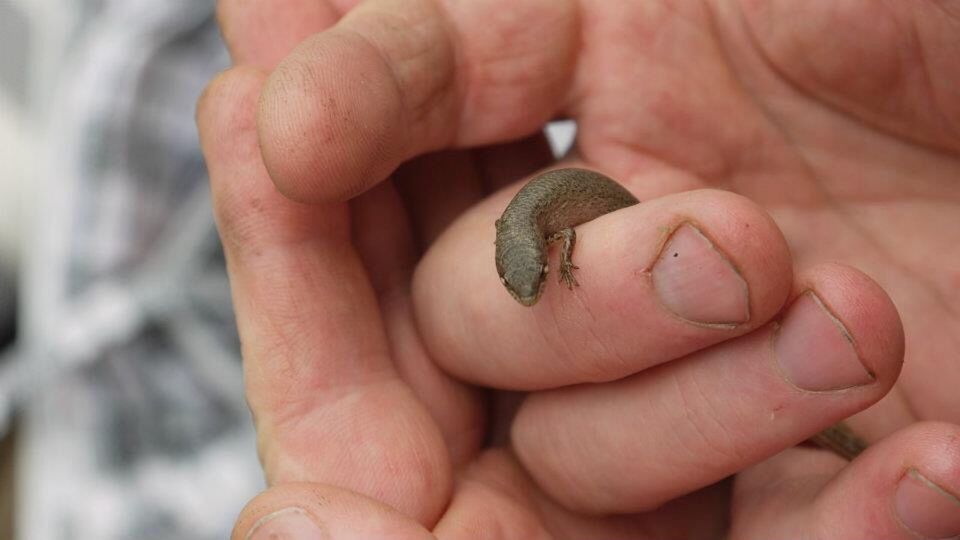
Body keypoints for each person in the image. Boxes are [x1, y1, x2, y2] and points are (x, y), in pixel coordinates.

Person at [197, 0, 960, 538]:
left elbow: (557, 242)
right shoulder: (524, 232)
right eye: (523, 283)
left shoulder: (543, 226)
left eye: (532, 278)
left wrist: (563, 274)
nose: (535, 290)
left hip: (626, 210)